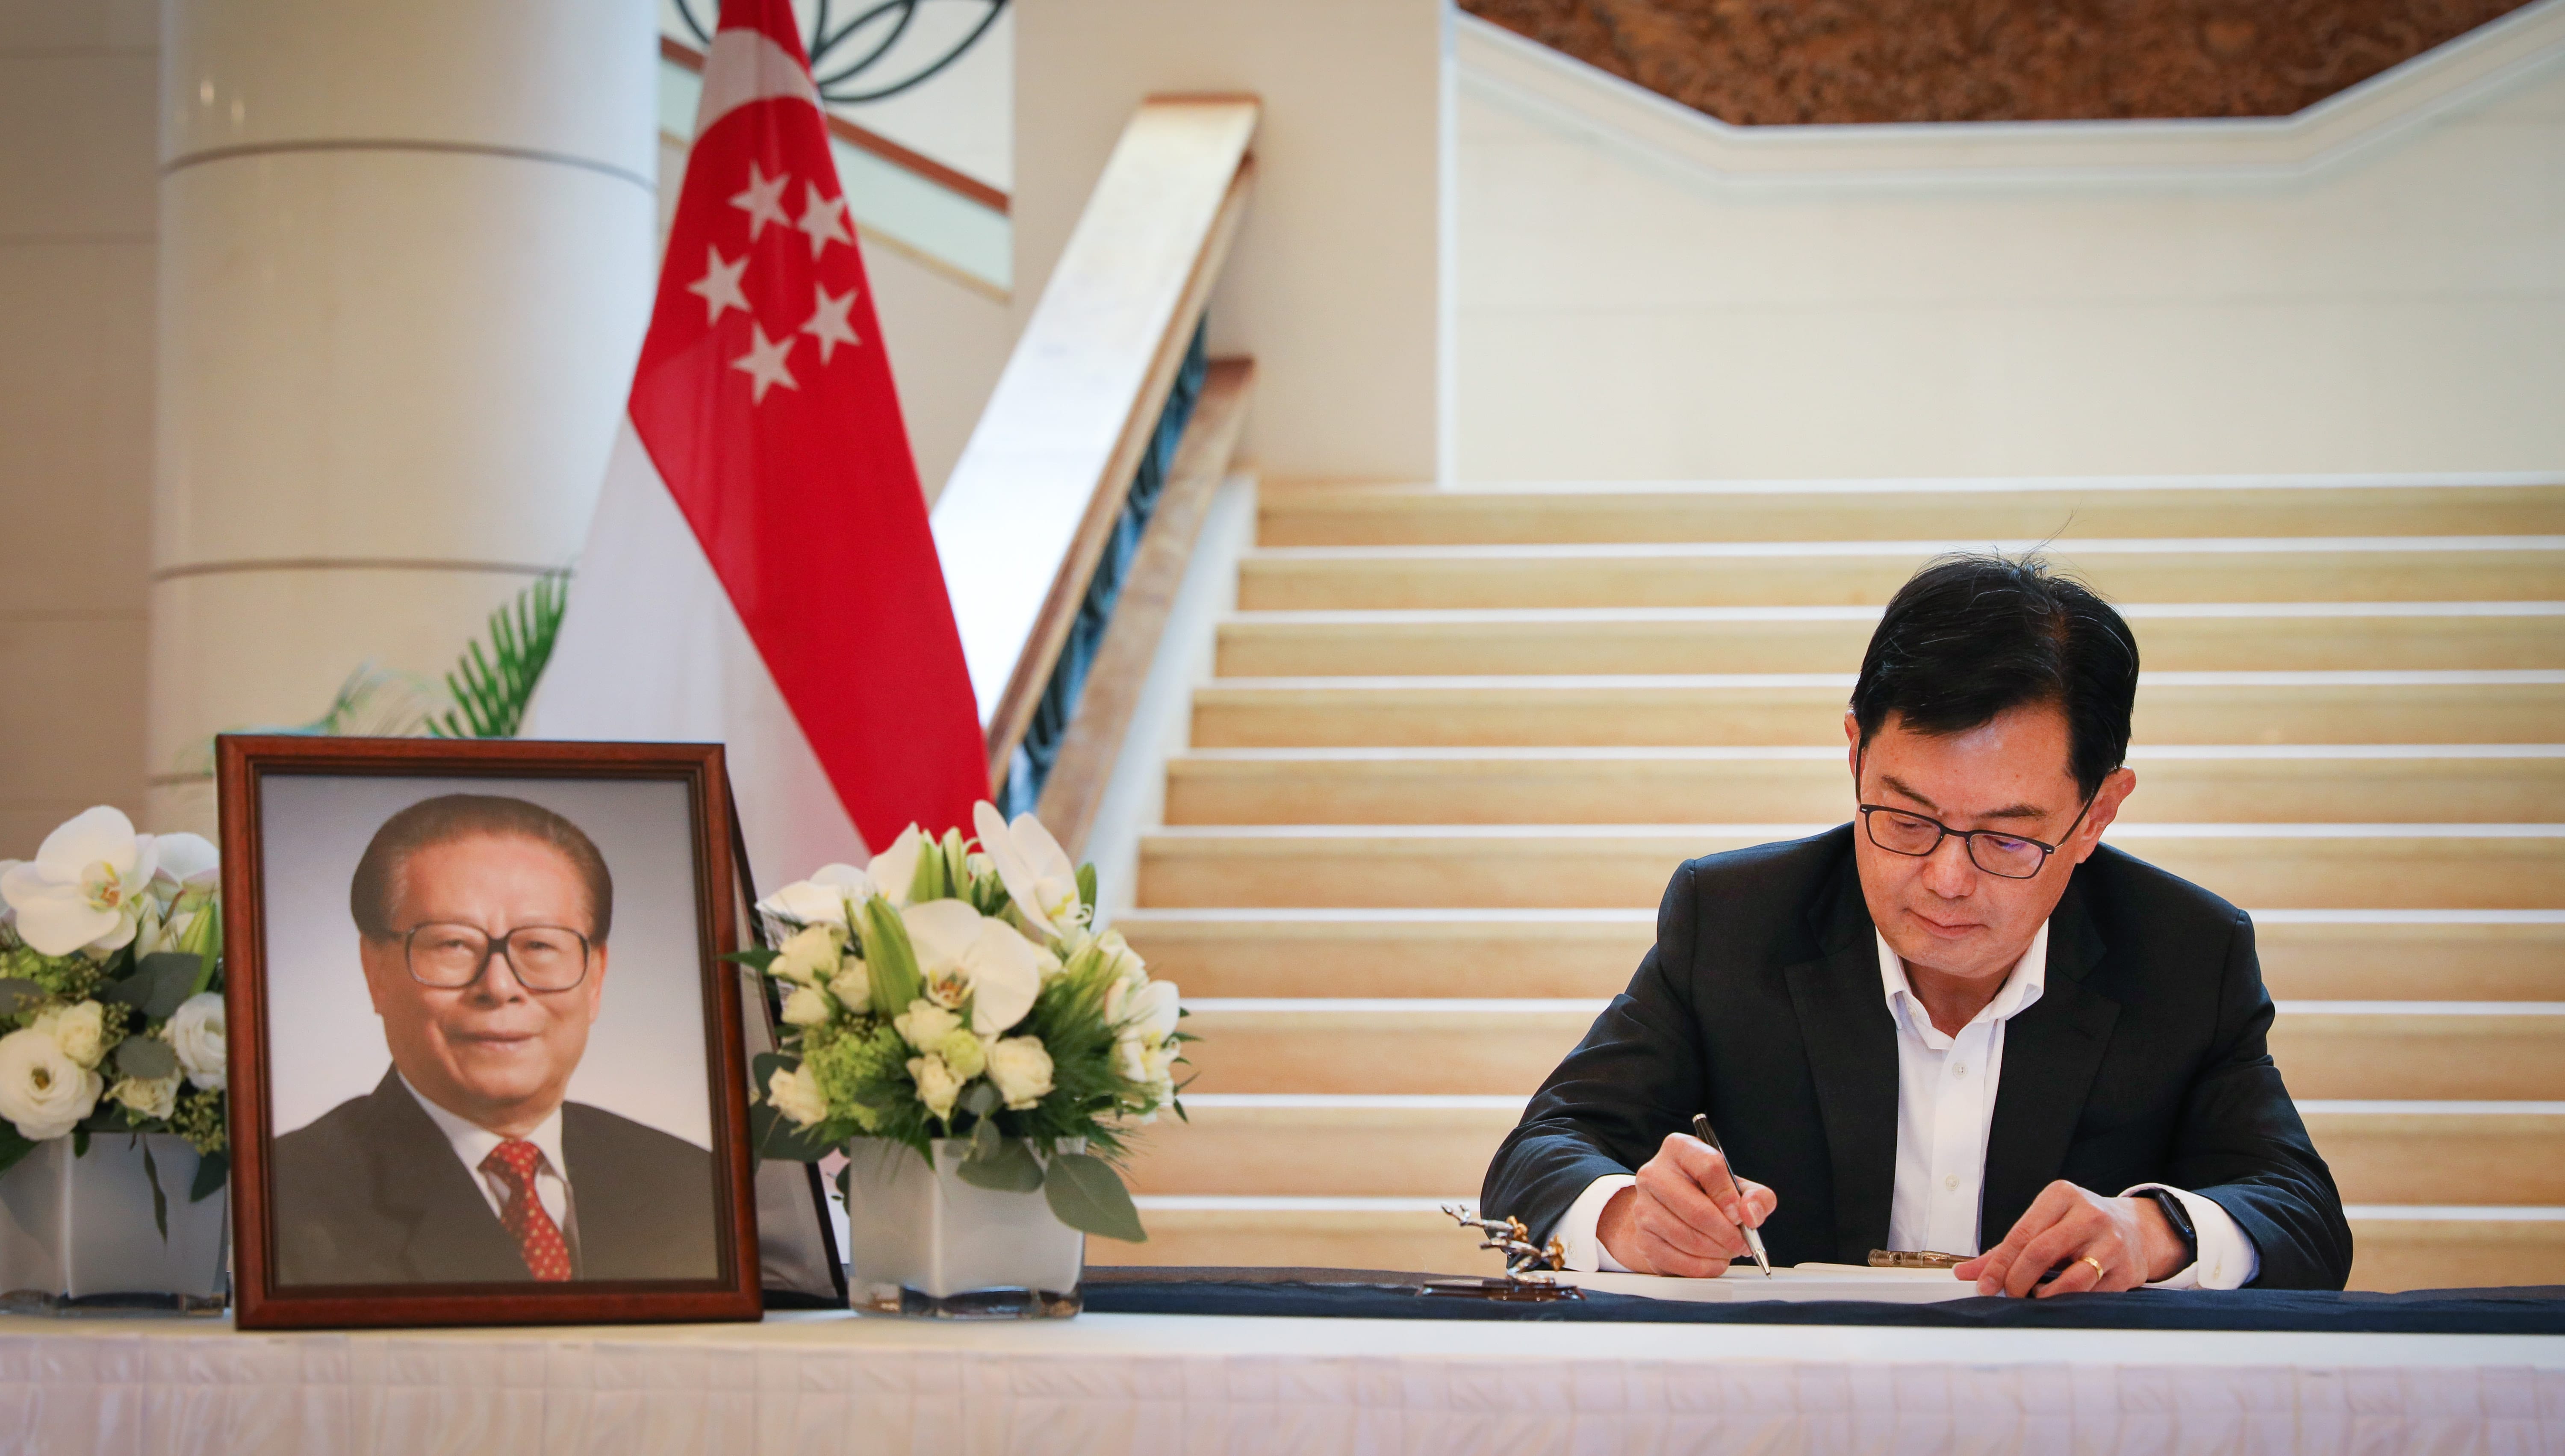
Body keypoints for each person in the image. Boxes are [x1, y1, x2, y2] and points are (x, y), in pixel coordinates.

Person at [1480, 555, 2353, 1294]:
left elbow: (2303, 1214)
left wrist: (2154, 1229)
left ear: (2096, 814)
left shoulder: (2183, 952)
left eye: (2008, 837)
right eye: (1905, 818)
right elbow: (1543, 1150)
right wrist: (1630, 1214)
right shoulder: (1737, 919)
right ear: (1856, 752)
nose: (1945, 878)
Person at [271, 793, 720, 1286]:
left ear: (596, 979)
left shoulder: (693, 1185)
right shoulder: (283, 1198)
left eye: (541, 945)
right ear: (375, 970)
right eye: (453, 944)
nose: (500, 987)